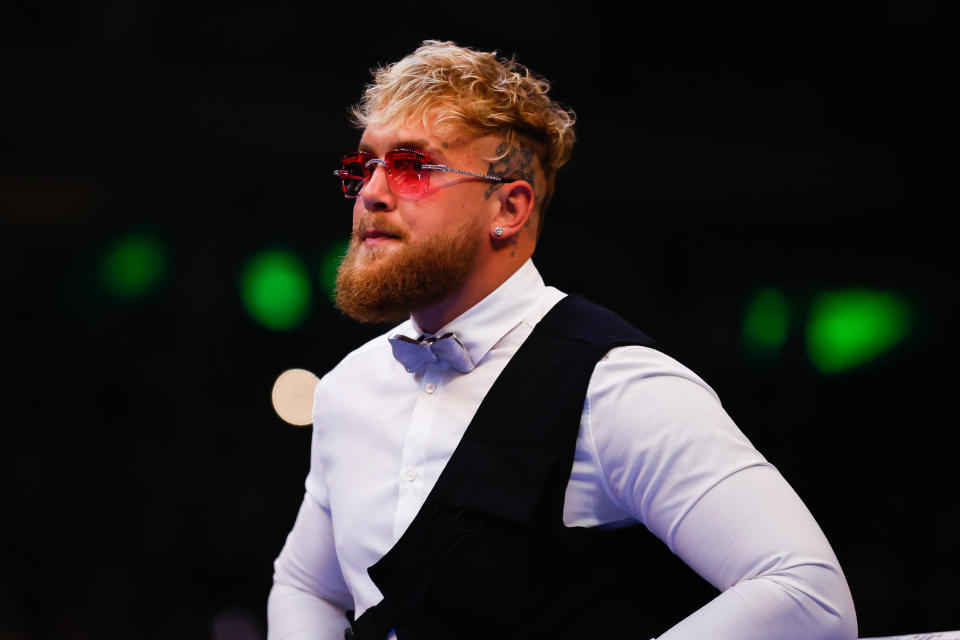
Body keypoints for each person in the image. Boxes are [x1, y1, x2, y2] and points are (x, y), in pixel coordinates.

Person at [267, 40, 857, 640]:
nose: (371, 191)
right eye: (365, 165)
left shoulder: (617, 384)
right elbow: (306, 586)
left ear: (509, 208)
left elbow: (808, 592)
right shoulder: (349, 388)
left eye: (414, 167)